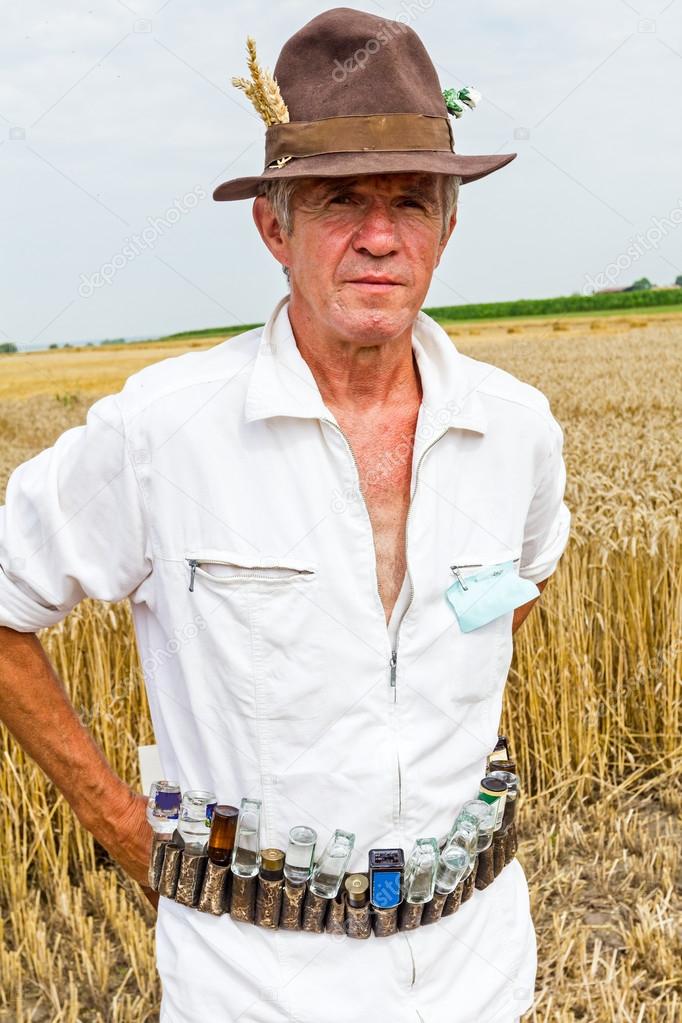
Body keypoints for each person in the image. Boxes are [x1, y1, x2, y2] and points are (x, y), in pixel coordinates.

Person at [0, 8, 571, 1022]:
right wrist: (121, 825)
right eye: (339, 199)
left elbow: (526, 576)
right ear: (274, 227)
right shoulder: (163, 433)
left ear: (448, 225)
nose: (380, 235)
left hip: (479, 970)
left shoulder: (517, 429)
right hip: (254, 988)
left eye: (412, 201)